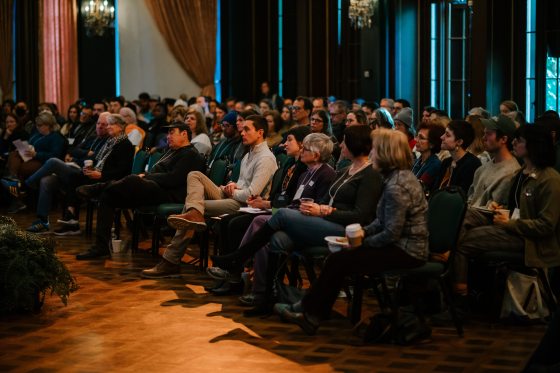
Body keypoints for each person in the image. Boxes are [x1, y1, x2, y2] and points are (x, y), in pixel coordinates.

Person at [274, 128, 428, 335]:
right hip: (398, 245)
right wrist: (358, 235)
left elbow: (391, 233)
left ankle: (310, 312)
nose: (370, 154)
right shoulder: (394, 178)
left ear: (385, 153)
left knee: (341, 259)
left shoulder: (397, 185)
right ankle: (311, 312)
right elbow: (380, 222)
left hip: (408, 251)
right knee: (340, 258)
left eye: (374, 150)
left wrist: (359, 242)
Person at [209, 125, 382, 279]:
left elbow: (361, 214)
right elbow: (324, 199)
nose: (341, 145)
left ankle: (238, 259)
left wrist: (323, 211)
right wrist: (318, 207)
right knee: (275, 237)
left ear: (355, 144)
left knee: (279, 215)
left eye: (345, 142)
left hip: (344, 228)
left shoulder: (369, 174)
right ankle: (263, 293)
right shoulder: (344, 170)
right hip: (321, 218)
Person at [141, 115, 278, 277]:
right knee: (194, 175)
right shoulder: (249, 154)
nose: (242, 132)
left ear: (260, 132)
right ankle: (194, 214)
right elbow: (243, 184)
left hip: (246, 205)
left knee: (192, 207)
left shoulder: (266, 158)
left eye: (247, 129)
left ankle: (170, 261)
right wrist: (233, 185)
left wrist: (233, 190)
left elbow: (251, 194)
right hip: (233, 195)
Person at [451, 125, 560, 311]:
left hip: (532, 243)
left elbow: (546, 226)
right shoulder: (522, 173)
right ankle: (462, 295)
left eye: (520, 140)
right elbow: (517, 207)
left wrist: (510, 222)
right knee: (464, 222)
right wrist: (501, 210)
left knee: (463, 242)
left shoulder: (549, 179)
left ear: (534, 145)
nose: (514, 143)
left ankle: (458, 299)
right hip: (514, 229)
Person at [74, 120, 206, 260]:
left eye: (172, 132)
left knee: (133, 179)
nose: (168, 136)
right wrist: (146, 177)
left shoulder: (191, 154)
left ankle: (97, 188)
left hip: (170, 194)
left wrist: (146, 176)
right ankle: (101, 247)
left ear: (184, 134)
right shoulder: (171, 151)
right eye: (168, 133)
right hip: (154, 189)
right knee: (107, 197)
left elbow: (173, 179)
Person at [24, 113, 134, 234]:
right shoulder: (109, 141)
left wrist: (100, 174)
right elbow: (77, 151)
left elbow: (123, 170)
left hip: (107, 180)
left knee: (57, 165)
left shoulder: (124, 144)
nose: (106, 127)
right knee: (49, 180)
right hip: (91, 172)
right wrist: (89, 165)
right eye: (99, 123)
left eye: (109, 124)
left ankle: (26, 186)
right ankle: (49, 221)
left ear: (120, 126)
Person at [2, 112, 66, 213]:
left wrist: (36, 154)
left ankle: (16, 195)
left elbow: (55, 156)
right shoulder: (37, 134)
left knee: (20, 169)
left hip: (43, 162)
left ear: (48, 125)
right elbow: (30, 144)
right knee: (13, 154)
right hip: (30, 157)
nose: (37, 127)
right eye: (37, 125)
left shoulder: (56, 137)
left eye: (40, 125)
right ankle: (13, 178)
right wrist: (23, 148)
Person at [468, 115, 520, 208]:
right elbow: (470, 199)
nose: (484, 138)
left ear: (503, 139)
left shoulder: (511, 173)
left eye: (489, 134)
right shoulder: (482, 169)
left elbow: (494, 211)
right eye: (484, 133)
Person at [435, 120, 482, 195]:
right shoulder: (446, 162)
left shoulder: (472, 164)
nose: (441, 137)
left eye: (447, 135)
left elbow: (461, 196)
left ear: (459, 142)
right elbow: (435, 191)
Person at [412, 123, 445, 192]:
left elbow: (420, 187)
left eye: (421, 138)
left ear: (432, 144)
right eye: (417, 136)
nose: (416, 140)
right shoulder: (419, 160)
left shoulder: (434, 164)